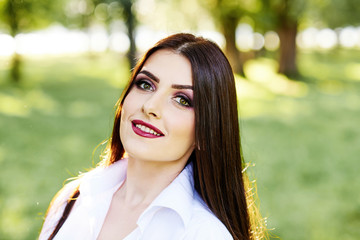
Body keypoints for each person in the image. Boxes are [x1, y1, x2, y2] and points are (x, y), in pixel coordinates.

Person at [39, 33, 267, 240]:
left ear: (206, 132)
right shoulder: (74, 197)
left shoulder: (204, 233)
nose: (150, 106)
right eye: (145, 84)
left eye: (182, 100)